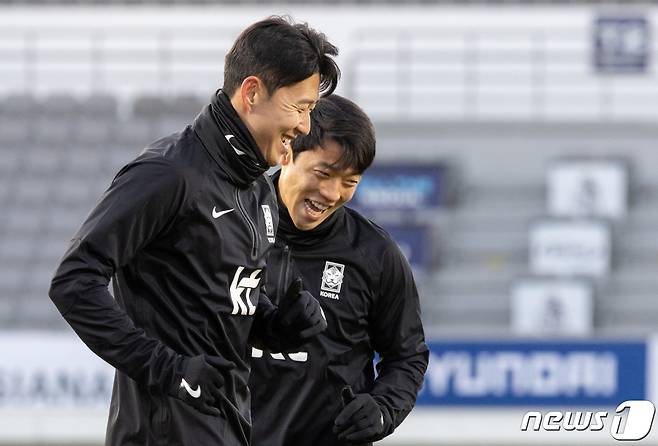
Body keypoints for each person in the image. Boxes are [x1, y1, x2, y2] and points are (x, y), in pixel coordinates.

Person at [48, 16, 339, 446]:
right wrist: (167, 369)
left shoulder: (258, 191)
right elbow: (73, 281)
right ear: (252, 92)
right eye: (300, 108)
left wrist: (278, 327)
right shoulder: (170, 174)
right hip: (160, 433)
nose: (305, 127)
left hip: (227, 426)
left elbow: (216, 304)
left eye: (310, 110)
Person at [249, 94, 429, 445]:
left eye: (350, 182)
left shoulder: (376, 254)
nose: (332, 193)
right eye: (324, 173)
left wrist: (382, 408)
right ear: (288, 153)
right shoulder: (228, 224)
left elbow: (407, 355)